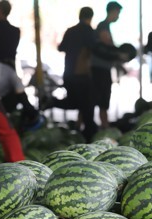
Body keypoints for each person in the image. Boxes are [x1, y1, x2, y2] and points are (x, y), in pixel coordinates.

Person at [54, 6, 126, 142]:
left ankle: (55, 105)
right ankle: (88, 137)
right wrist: (117, 54)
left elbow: (61, 47)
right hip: (82, 74)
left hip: (68, 72)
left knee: (76, 102)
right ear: (90, 17)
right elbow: (97, 49)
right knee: (86, 105)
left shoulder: (70, 31)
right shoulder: (90, 32)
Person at [91, 1, 123, 129]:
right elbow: (108, 48)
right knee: (102, 100)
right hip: (100, 70)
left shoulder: (105, 26)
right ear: (113, 11)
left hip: (101, 69)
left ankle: (97, 127)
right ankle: (104, 128)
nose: (118, 16)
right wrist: (120, 55)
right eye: (118, 13)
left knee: (98, 99)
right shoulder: (103, 26)